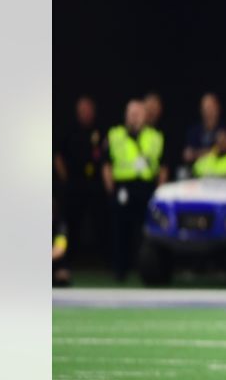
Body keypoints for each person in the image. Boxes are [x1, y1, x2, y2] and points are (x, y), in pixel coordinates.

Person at [103, 100, 163, 281]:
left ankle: (145, 270)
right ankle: (120, 270)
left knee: (145, 232)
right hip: (123, 188)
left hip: (146, 188)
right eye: (131, 113)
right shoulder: (115, 135)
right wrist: (110, 190)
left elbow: (162, 166)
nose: (134, 117)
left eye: (137, 113)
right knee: (120, 231)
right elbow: (106, 164)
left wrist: (159, 192)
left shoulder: (155, 137)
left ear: (145, 116)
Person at [54, 95, 107, 263]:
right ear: (78, 112)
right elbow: (57, 155)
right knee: (70, 224)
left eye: (89, 110)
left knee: (100, 223)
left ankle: (104, 260)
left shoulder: (100, 130)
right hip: (74, 184)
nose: (86, 114)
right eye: (82, 110)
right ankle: (64, 260)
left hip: (95, 184)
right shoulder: (69, 129)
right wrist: (65, 179)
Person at [183, 93, 225, 168]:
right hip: (197, 174)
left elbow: (222, 151)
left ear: (218, 108)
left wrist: (197, 153)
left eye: (211, 107)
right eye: (205, 107)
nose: (208, 111)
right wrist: (210, 152)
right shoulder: (193, 131)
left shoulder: (224, 130)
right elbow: (188, 155)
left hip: (219, 175)